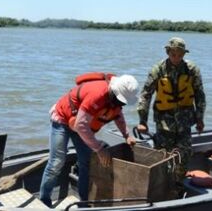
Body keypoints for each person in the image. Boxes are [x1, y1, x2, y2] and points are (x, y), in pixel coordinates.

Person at [38, 73, 138, 207]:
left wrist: (127, 135)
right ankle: (44, 200)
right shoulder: (97, 95)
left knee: (86, 162)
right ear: (114, 91)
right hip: (62, 119)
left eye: (123, 102)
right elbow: (81, 125)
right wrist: (99, 149)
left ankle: (84, 203)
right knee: (57, 161)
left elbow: (118, 116)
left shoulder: (116, 102)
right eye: (120, 100)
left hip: (81, 124)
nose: (120, 104)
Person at [136, 37, 206, 180]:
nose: (176, 58)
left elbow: (200, 95)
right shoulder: (157, 70)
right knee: (162, 155)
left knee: (184, 154)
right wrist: (142, 121)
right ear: (168, 52)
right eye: (173, 54)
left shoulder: (192, 70)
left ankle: (179, 184)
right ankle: (161, 183)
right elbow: (145, 95)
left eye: (180, 55)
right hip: (163, 123)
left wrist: (200, 118)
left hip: (185, 122)